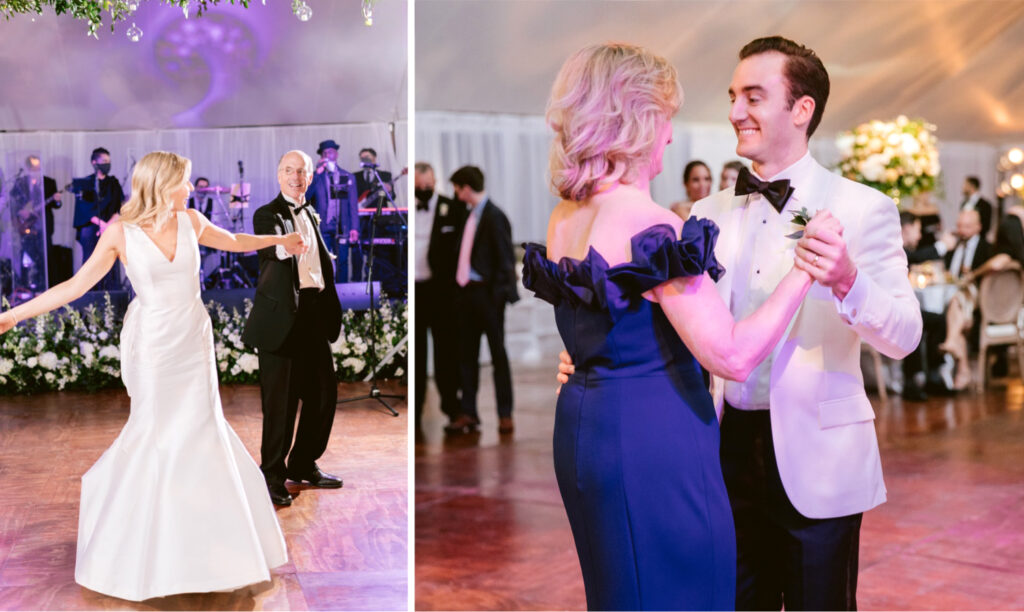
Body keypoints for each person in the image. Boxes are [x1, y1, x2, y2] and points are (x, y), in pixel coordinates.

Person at [560, 36, 922, 610]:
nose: (733, 112)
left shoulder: (862, 207)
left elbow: (905, 336)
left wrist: (849, 279)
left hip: (818, 460)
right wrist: (601, 350)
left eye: (753, 96)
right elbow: (685, 328)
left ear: (801, 110)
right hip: (718, 452)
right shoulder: (705, 214)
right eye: (732, 96)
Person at [0, 151, 304, 601]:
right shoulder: (120, 233)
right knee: (158, 434)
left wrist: (281, 241)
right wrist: (11, 317)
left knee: (201, 431)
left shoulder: (193, 220)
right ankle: (143, 548)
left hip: (192, 338)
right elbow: (74, 287)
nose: (190, 189)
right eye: (182, 183)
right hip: (154, 345)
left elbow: (235, 239)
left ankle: (211, 550)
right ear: (161, 184)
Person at [242, 150, 344, 507]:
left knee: (322, 395)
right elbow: (271, 252)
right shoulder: (266, 214)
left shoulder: (312, 212)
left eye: (301, 171)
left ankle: (303, 463)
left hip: (314, 313)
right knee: (280, 404)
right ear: (278, 174)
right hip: (283, 318)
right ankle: (272, 474)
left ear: (311, 176)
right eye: (289, 170)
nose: (295, 176)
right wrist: (286, 245)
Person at [444, 165, 519, 435]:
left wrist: (498, 296)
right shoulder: (468, 215)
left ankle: (505, 413)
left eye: (457, 188)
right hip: (466, 294)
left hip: (487, 295)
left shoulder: (495, 216)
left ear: (465, 187)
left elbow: (505, 261)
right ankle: (469, 412)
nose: (455, 194)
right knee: (466, 355)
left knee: (498, 354)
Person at [414, 161, 464, 432]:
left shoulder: (452, 209)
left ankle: (451, 407)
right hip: (416, 289)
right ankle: (417, 410)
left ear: (435, 183)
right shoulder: (409, 210)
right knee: (418, 356)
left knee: (446, 352)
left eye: (428, 186)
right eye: (419, 187)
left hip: (441, 292)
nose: (424, 190)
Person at [306, 139, 360, 281]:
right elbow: (305, 197)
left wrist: (354, 228)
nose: (327, 155)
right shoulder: (316, 176)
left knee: (342, 261)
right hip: (322, 226)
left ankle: (342, 295)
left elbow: (352, 205)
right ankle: (325, 294)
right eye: (324, 153)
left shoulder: (346, 176)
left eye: (330, 152)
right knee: (322, 262)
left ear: (336, 154)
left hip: (341, 226)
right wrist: (317, 173)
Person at [71, 147, 124, 289]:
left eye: (109, 161)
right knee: (91, 259)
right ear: (94, 162)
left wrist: (107, 226)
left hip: (110, 226)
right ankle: (90, 293)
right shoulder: (85, 183)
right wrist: (101, 224)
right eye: (104, 161)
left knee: (111, 260)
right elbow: (83, 208)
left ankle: (112, 293)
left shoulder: (114, 183)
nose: (107, 164)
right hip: (91, 227)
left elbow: (118, 207)